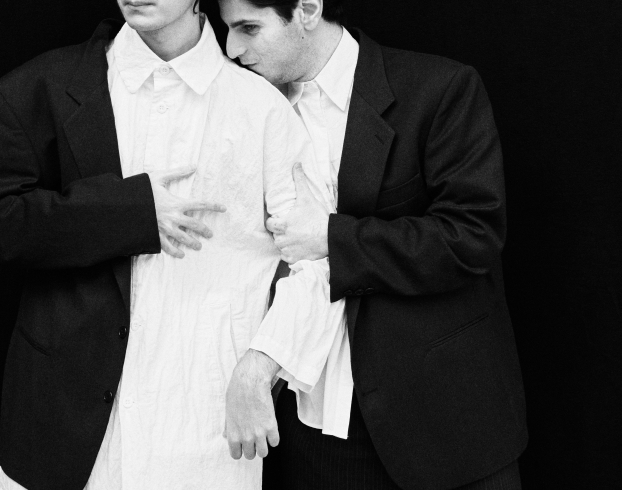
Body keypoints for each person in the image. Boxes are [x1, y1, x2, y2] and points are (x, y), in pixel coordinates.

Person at [0, 0, 344, 489]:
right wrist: (131, 211)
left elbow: (319, 261)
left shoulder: (263, 108)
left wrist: (259, 368)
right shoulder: (35, 88)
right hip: (59, 429)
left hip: (204, 432)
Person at [218, 0, 528, 489]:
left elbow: (472, 235)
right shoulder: (248, 108)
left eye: (248, 28)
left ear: (307, 9)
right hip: (314, 428)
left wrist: (330, 236)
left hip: (444, 422)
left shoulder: (438, 88)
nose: (232, 48)